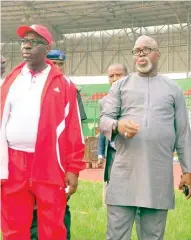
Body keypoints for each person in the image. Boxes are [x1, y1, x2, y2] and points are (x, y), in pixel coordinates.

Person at [99, 35, 191, 240]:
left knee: (153, 235)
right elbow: (104, 120)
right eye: (137, 51)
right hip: (124, 171)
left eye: (146, 50)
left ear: (158, 53)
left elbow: (182, 133)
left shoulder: (173, 89)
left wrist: (189, 170)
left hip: (157, 173)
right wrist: (118, 125)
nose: (141, 55)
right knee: (116, 234)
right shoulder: (120, 86)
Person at [0, 24, 86, 240]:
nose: (27, 46)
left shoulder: (64, 84)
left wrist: (73, 169)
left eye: (34, 42)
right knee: (13, 226)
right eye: (24, 41)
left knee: (52, 227)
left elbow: (74, 129)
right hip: (14, 163)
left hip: (49, 163)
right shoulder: (11, 80)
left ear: (47, 48)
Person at [28, 49, 87, 240]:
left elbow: (75, 132)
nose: (57, 67)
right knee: (30, 212)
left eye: (61, 64)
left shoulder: (69, 88)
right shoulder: (28, 87)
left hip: (57, 166)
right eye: (53, 62)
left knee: (58, 211)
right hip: (29, 162)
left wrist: (73, 169)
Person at [97, 63, 128, 181]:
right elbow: (103, 130)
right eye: (111, 76)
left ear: (127, 76)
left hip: (132, 152)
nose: (114, 79)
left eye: (119, 75)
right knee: (111, 190)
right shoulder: (103, 102)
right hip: (112, 153)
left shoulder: (135, 99)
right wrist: (101, 154)